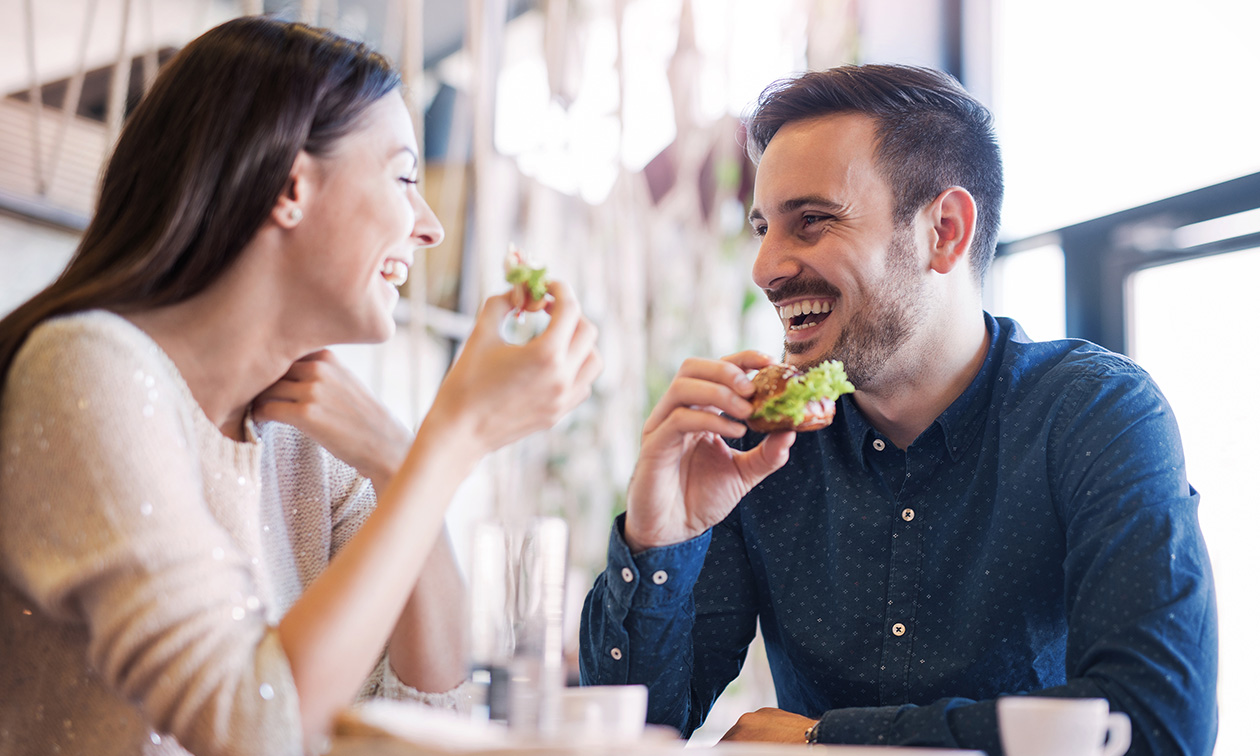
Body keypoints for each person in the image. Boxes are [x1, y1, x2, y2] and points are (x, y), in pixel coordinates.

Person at [0, 16, 600, 756]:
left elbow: (430, 715)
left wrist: (398, 457)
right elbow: (253, 727)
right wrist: (453, 440)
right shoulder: (82, 369)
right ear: (290, 183)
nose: (431, 226)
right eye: (405, 176)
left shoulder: (305, 439)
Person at [580, 64, 1216, 756]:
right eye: (763, 227)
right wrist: (657, 539)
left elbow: (1158, 724)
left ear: (944, 231)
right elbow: (635, 731)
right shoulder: (754, 446)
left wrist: (828, 738)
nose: (764, 266)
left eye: (812, 220)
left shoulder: (1095, 415)